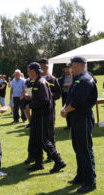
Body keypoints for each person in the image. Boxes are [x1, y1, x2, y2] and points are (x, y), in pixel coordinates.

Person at [61, 56, 97, 193]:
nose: (70, 68)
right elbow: (70, 97)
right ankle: (81, 176)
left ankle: (90, 182)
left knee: (85, 150)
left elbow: (78, 102)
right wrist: (65, 107)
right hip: (76, 118)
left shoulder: (85, 79)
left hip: (83, 118)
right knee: (78, 148)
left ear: (77, 65)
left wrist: (65, 110)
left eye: (72, 65)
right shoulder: (78, 79)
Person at [26, 62, 66, 173]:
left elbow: (44, 100)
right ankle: (38, 163)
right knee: (36, 139)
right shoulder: (35, 82)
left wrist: (30, 105)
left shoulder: (41, 82)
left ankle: (59, 161)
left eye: (28, 70)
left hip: (43, 116)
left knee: (44, 140)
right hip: (37, 115)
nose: (27, 72)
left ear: (33, 71)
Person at [38, 58, 61, 162]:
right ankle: (37, 156)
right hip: (37, 109)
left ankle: (51, 156)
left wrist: (47, 96)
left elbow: (58, 94)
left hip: (49, 110)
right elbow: (30, 92)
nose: (40, 68)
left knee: (49, 133)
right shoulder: (35, 79)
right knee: (38, 134)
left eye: (41, 66)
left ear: (47, 66)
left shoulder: (52, 79)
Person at [58, 63, 73, 130]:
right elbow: (58, 84)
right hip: (65, 95)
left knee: (73, 108)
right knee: (66, 109)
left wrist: (71, 84)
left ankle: (74, 125)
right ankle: (69, 125)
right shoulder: (62, 76)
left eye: (68, 68)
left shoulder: (75, 75)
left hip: (73, 95)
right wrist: (64, 85)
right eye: (65, 69)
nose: (66, 70)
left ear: (71, 69)